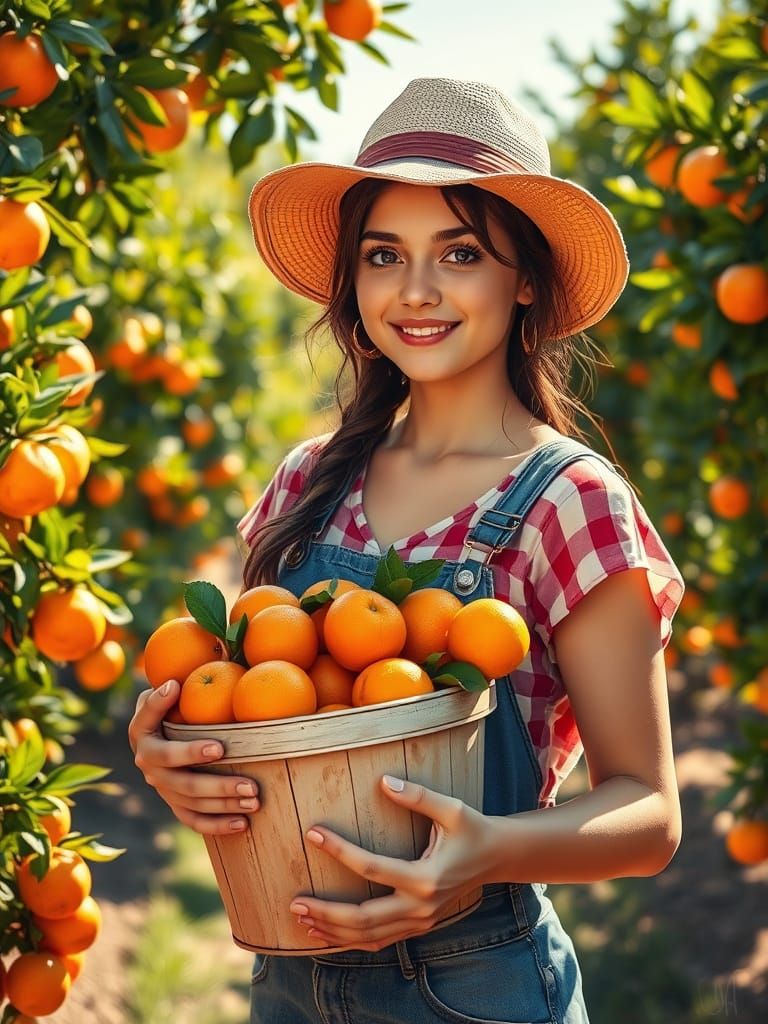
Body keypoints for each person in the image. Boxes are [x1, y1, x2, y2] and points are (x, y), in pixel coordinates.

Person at [129, 77, 685, 1023]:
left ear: (526, 282)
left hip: (477, 986)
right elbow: (256, 699)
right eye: (385, 254)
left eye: (460, 253)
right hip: (289, 979)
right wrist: (181, 755)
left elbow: (648, 813)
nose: (415, 291)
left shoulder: (568, 501)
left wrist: (490, 849)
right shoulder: (309, 480)